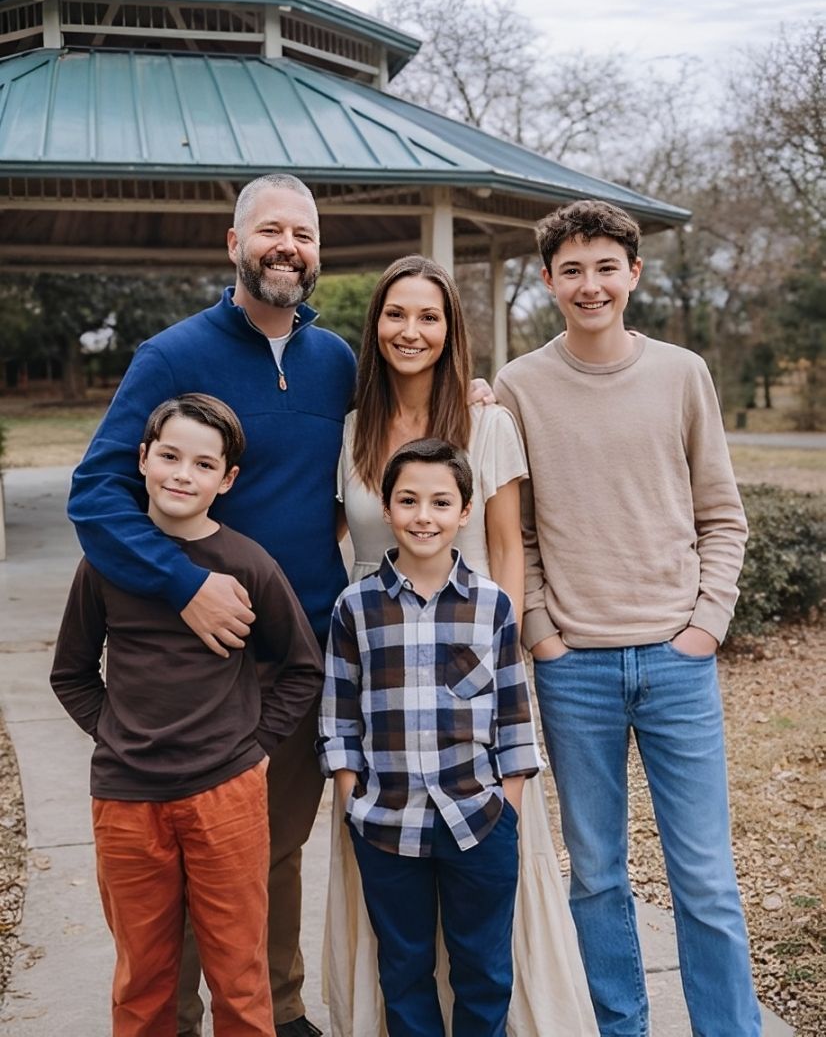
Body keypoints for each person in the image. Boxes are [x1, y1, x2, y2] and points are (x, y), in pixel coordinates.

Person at [67, 173, 356, 1037]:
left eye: (303, 235)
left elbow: (395, 434)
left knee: (271, 849)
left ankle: (279, 1004)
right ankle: (178, 1018)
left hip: (300, 652)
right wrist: (183, 583)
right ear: (233, 243)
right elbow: (96, 494)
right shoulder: (173, 355)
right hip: (202, 657)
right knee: (191, 860)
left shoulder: (336, 360)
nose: (288, 248)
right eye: (270, 231)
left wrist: (475, 397)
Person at [494, 199, 761, 1037]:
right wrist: (541, 632)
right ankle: (622, 1028)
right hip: (576, 669)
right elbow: (520, 529)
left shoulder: (682, 373)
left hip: (679, 661)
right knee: (599, 875)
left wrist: (706, 624)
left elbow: (722, 513)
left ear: (634, 274)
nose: (590, 284)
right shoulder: (520, 385)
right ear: (547, 281)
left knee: (707, 877)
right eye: (571, 269)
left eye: (606, 267)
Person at [327, 255, 597, 1036]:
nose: (411, 331)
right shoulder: (352, 430)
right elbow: (341, 538)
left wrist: (494, 673)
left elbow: (508, 550)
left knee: (485, 916)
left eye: (429, 317)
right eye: (396, 314)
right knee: (400, 931)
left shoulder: (489, 422)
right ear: (375, 324)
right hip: (382, 688)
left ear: (452, 332)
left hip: (474, 685)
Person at [51, 393, 323, 1037]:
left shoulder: (248, 564)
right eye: (169, 456)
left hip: (225, 793)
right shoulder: (106, 566)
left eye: (203, 464)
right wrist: (116, 733)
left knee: (238, 970)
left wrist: (251, 745)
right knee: (143, 977)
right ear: (142, 460)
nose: (181, 474)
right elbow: (71, 673)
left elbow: (302, 666)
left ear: (225, 480)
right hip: (126, 797)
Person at [319, 438, 544, 1037]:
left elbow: (515, 719)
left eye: (441, 502)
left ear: (464, 512)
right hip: (387, 823)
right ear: (386, 509)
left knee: (484, 971)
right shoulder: (354, 608)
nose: (424, 515)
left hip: (479, 820)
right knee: (405, 968)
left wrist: (508, 810)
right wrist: (353, 802)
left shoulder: (492, 606)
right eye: (409, 500)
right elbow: (339, 717)